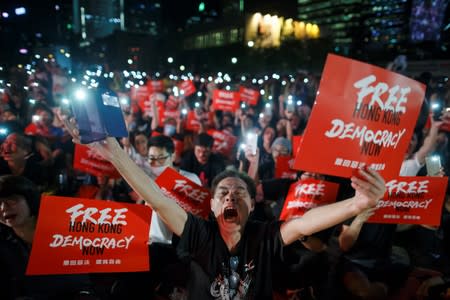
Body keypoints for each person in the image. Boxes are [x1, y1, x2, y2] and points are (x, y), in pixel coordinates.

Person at [60, 112, 386, 299]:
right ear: (212, 206)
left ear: (252, 206)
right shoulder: (199, 233)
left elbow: (304, 222)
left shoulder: (265, 236)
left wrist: (357, 203)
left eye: (239, 193)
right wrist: (116, 153)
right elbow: (157, 198)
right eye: (224, 193)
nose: (231, 196)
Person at [0, 175, 96, 299]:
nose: (3, 208)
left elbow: (81, 284)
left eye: (11, 200)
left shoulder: (63, 232)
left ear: (30, 199)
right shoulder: (4, 242)